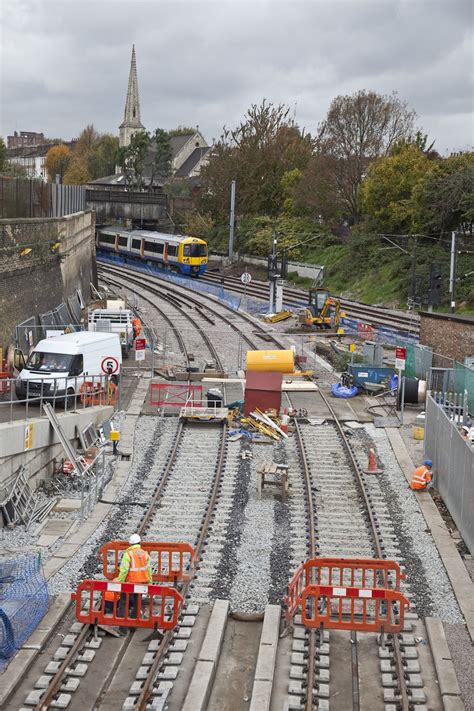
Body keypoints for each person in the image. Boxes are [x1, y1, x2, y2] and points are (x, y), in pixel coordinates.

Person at [117, 534, 152, 634]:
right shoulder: (145, 554)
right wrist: (150, 582)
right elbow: (149, 570)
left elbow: (124, 570)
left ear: (130, 544)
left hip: (129, 583)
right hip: (141, 583)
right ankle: (133, 627)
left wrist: (120, 582)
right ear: (140, 543)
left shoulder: (128, 554)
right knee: (138, 604)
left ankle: (123, 629)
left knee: (124, 603)